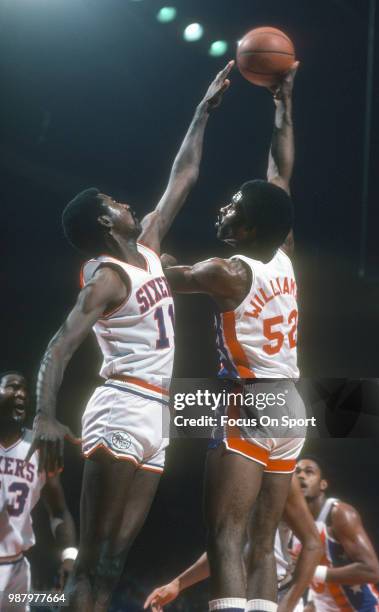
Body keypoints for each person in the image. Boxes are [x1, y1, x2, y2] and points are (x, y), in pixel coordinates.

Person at [26, 61, 234, 612]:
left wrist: (201, 113)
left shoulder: (145, 245)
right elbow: (60, 342)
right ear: (102, 223)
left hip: (157, 414)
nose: (124, 203)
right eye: (113, 203)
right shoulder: (105, 274)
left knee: (114, 564)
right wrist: (45, 414)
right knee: (92, 561)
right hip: (120, 405)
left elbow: (182, 179)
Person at [162, 63, 305, 612]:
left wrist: (166, 262)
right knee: (263, 545)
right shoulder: (285, 254)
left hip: (249, 399)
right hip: (292, 405)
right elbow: (280, 174)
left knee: (224, 534)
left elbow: (159, 276)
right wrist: (283, 104)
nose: (223, 210)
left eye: (232, 209)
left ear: (245, 229)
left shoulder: (226, 271)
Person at [144, 474, 322, 611]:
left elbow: (313, 544)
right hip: (236, 593)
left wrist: (286, 608)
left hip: (275, 594)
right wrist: (178, 583)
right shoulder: (233, 475)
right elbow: (227, 548)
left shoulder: (282, 476)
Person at [0, 371, 77, 612]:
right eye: (12, 387)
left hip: (16, 570)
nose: (21, 393)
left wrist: (69, 557)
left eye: (25, 389)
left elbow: (59, 510)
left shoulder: (40, 449)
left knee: (62, 601)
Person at [294, 457, 379, 611]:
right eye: (296, 473)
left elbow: (372, 571)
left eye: (309, 472)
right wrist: (310, 603)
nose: (301, 476)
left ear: (322, 484)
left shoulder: (339, 513)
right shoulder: (294, 521)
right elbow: (318, 583)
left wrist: (310, 571)